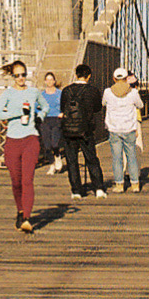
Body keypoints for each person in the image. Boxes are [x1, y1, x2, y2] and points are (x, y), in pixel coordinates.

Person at [0, 59, 49, 232]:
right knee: (16, 181)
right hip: (12, 140)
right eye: (17, 75)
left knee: (27, 180)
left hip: (31, 138)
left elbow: (45, 106)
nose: (21, 78)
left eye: (23, 75)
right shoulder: (8, 94)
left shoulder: (33, 92)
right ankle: (20, 211)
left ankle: (26, 218)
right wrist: (16, 113)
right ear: (12, 76)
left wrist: (40, 116)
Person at [59, 63, 106, 199]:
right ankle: (98, 188)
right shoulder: (93, 91)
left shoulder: (66, 91)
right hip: (86, 130)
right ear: (89, 76)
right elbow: (97, 108)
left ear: (76, 75)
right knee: (91, 159)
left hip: (69, 130)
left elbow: (62, 108)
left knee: (71, 160)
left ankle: (76, 191)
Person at [103, 67, 145, 192]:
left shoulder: (108, 92)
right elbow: (140, 105)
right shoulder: (133, 92)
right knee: (131, 156)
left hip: (114, 128)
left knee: (117, 158)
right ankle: (135, 184)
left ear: (114, 79)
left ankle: (119, 185)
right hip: (129, 128)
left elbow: (103, 103)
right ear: (127, 79)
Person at [39, 71, 65, 174]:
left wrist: (62, 113)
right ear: (45, 81)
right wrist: (40, 113)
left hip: (56, 119)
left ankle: (57, 156)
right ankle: (52, 164)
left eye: (51, 79)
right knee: (47, 145)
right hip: (45, 120)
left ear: (54, 81)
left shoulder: (60, 93)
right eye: (47, 80)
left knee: (55, 143)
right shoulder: (42, 95)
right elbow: (35, 106)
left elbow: (65, 104)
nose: (49, 82)